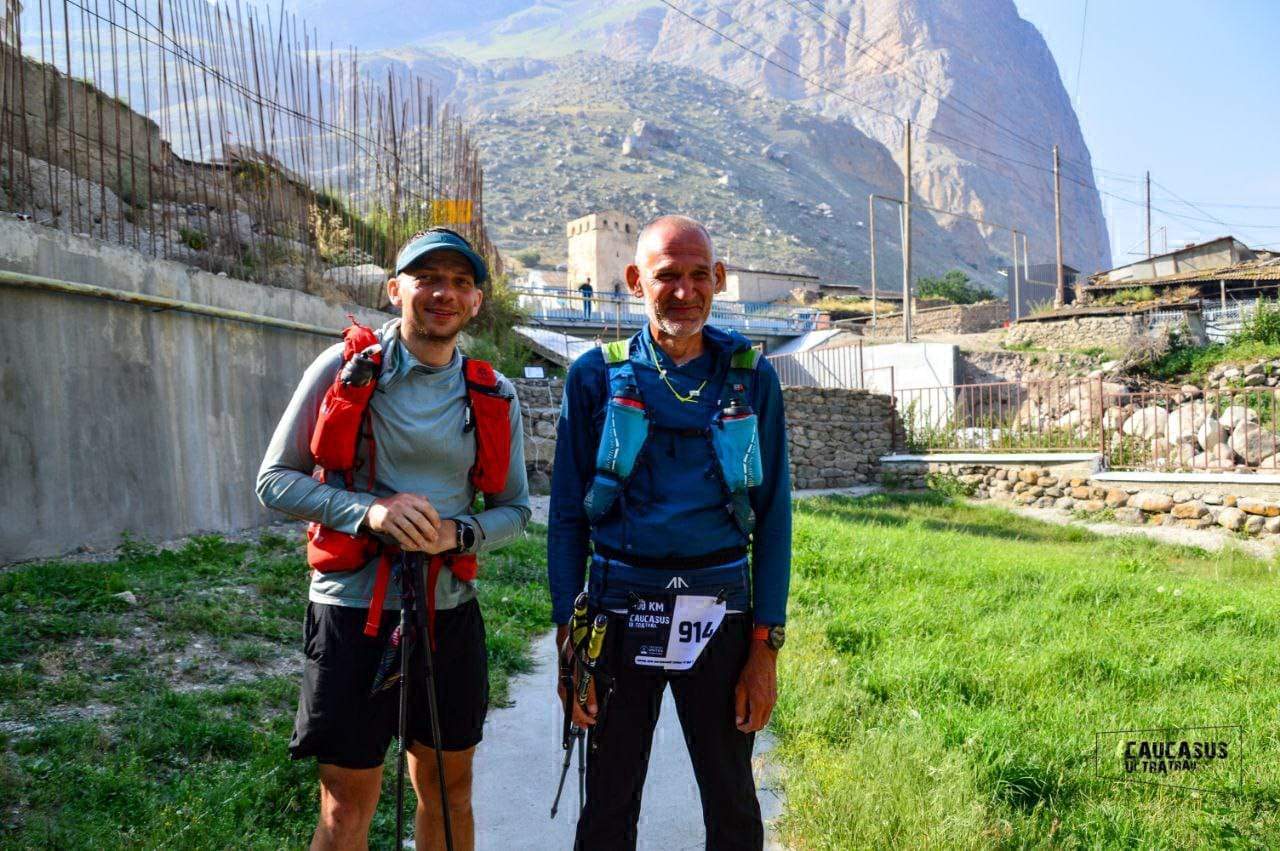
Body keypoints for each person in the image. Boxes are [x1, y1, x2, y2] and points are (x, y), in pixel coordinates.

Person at [257, 228, 530, 851]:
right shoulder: (345, 368)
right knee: (345, 803)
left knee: (449, 791)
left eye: (460, 282)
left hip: (447, 614)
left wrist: (458, 533)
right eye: (427, 278)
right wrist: (370, 513)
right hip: (352, 612)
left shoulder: (494, 392)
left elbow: (515, 510)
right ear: (394, 290)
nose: (443, 293)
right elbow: (274, 481)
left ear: (476, 302)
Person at [548, 215, 791, 850]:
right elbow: (568, 515)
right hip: (617, 615)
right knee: (608, 802)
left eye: (698, 275)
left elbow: (774, 518)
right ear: (636, 281)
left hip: (722, 616)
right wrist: (568, 641)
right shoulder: (594, 377)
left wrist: (764, 647)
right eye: (666, 277)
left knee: (733, 802)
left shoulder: (752, 377)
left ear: (720, 278)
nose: (684, 291)